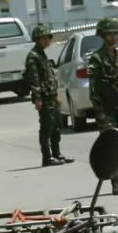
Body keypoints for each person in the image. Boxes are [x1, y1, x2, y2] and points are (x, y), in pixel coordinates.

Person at [86, 17, 118, 195]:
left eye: (116, 34)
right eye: (110, 34)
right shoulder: (97, 59)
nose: (114, 37)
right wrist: (101, 112)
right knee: (111, 147)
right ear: (103, 35)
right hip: (107, 111)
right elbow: (94, 89)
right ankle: (115, 183)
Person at [23, 23, 73, 167]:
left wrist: (56, 94)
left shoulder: (42, 55)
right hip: (44, 97)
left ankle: (57, 153)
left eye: (48, 38)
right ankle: (47, 157)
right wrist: (38, 98)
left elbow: (49, 76)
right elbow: (34, 79)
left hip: (51, 95)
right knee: (46, 127)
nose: (47, 41)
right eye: (43, 38)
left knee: (56, 126)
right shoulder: (33, 56)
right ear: (37, 39)